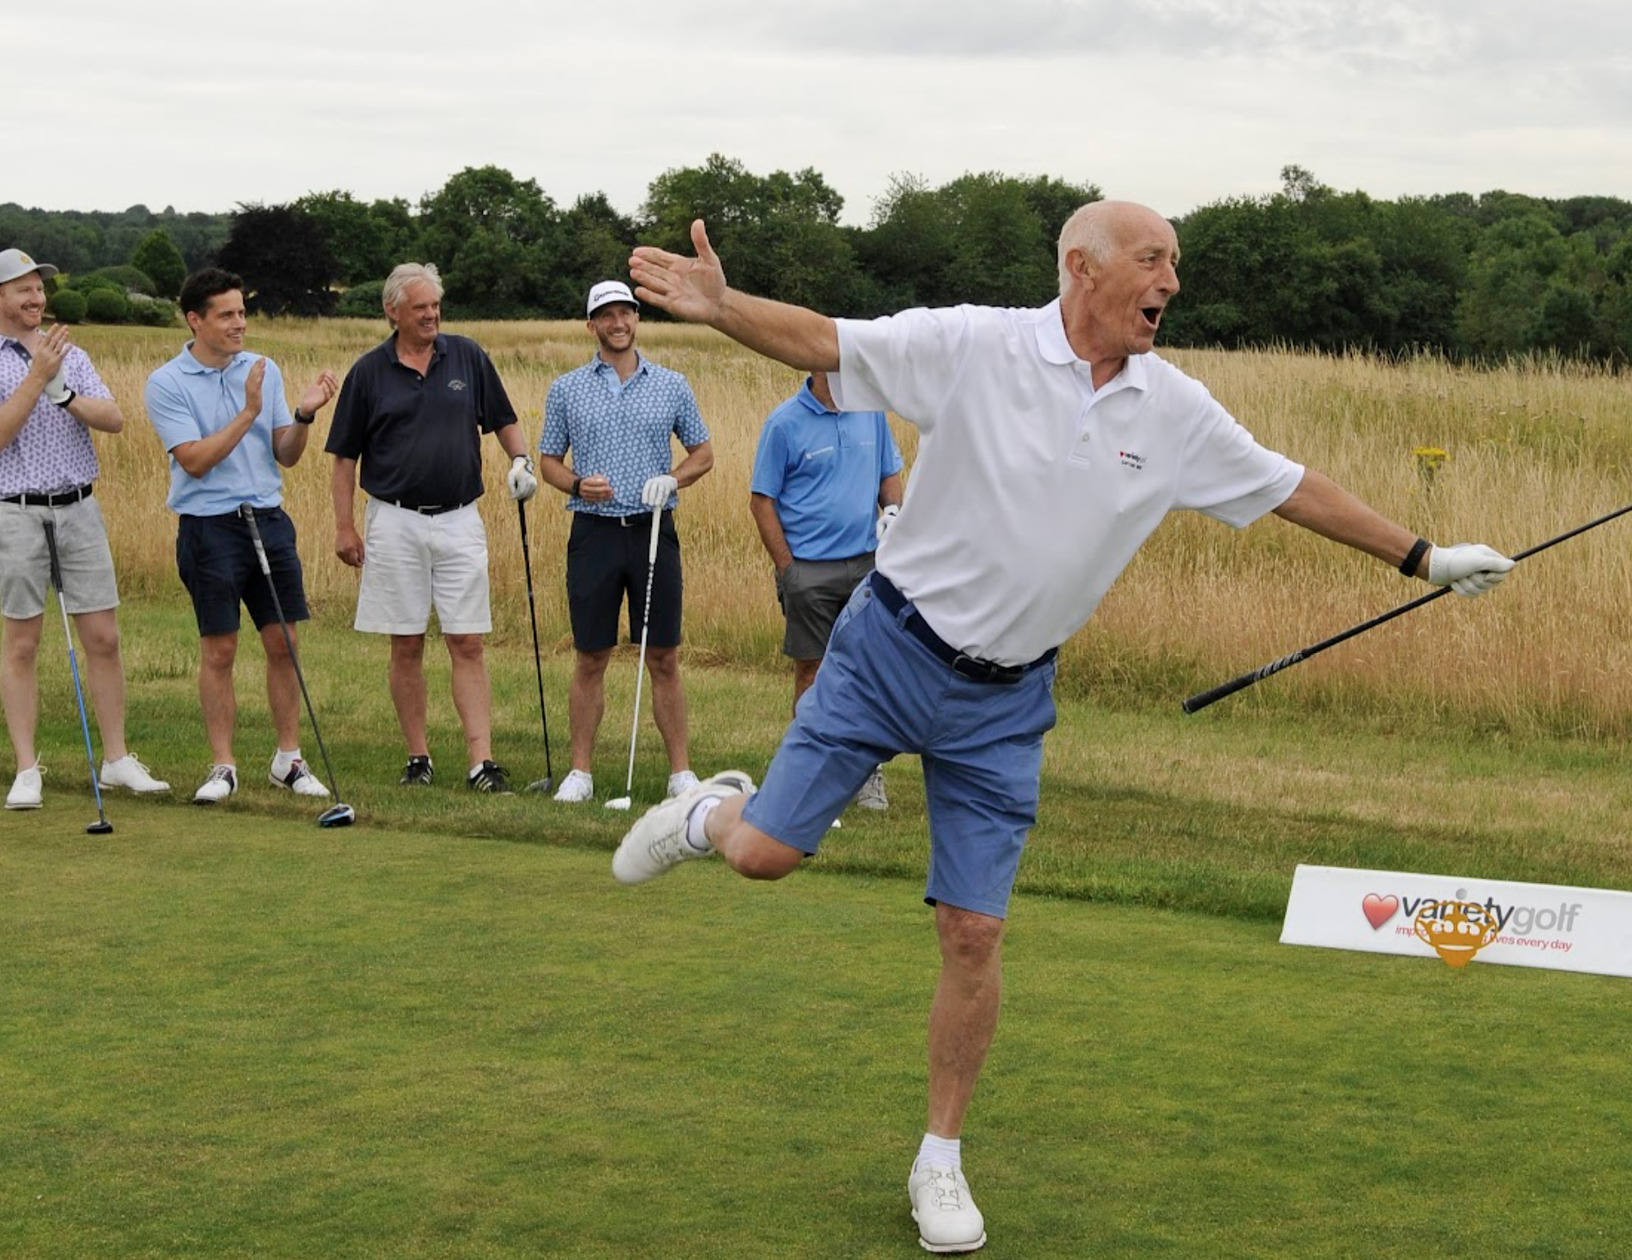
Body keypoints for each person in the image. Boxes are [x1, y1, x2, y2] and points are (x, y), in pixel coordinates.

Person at [615, 202, 1516, 1254]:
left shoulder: (1172, 408)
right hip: (886, 650)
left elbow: (1288, 487)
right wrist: (724, 309)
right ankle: (711, 811)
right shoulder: (977, 345)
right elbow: (829, 339)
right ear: (1082, 268)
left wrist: (1424, 556)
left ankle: (939, 1157)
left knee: (974, 928)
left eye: (1175, 263)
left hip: (1005, 703)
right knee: (767, 854)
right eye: (1152, 260)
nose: (1170, 281)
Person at [0, 248, 172, 809]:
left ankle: (118, 760)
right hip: (17, 511)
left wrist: (64, 391)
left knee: (103, 637)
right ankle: (27, 769)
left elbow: (115, 418)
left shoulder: (70, 354)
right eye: (22, 289)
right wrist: (36, 377)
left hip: (79, 507)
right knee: (23, 641)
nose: (36, 298)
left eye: (39, 288)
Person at [325, 263, 537, 793]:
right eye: (420, 308)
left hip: (460, 517)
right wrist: (345, 527)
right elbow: (344, 457)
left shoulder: (465, 354)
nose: (431, 315)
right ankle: (418, 757)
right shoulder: (369, 372)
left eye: (435, 306)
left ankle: (480, 762)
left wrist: (521, 460)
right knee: (407, 642)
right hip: (394, 520)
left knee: (467, 640)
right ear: (392, 310)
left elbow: (503, 419)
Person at [143, 268, 338, 805]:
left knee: (285, 642)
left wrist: (301, 414)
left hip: (269, 518)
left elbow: (286, 454)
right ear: (195, 320)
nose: (239, 324)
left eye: (242, 312)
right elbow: (196, 461)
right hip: (209, 527)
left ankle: (289, 760)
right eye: (226, 314)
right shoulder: (167, 382)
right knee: (220, 650)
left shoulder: (262, 368)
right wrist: (248, 410)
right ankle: (223, 766)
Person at [535, 280, 714, 804]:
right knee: (591, 655)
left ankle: (681, 773)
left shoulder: (671, 384)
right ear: (591, 325)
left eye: (626, 313)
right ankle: (580, 774)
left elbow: (703, 453)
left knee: (662, 655)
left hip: (653, 529)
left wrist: (673, 479)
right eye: (606, 315)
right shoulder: (568, 388)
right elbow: (548, 460)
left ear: (638, 320)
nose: (618, 322)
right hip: (593, 532)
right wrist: (573, 483)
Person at [748, 370, 903, 808]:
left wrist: (892, 513)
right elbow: (762, 501)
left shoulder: (871, 411)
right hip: (809, 571)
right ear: (815, 371)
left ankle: (866, 774)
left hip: (868, 566)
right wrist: (787, 569)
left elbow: (888, 474)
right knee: (812, 674)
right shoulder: (785, 422)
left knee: (868, 671)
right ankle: (808, 773)